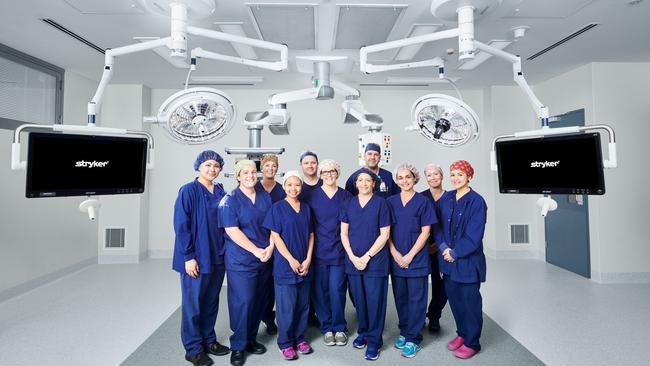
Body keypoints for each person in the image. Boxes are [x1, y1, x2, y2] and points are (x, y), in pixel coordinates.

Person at [173, 150, 230, 366]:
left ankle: (209, 340)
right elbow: (181, 226)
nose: (212, 169)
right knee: (193, 304)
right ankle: (193, 349)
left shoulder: (220, 191)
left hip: (217, 254)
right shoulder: (188, 191)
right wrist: (189, 256)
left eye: (216, 166)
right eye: (208, 165)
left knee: (211, 301)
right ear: (198, 167)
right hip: (196, 257)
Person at [219, 160, 274, 366]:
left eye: (253, 172)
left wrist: (269, 248)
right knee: (243, 301)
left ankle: (251, 339)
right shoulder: (230, 200)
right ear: (238, 176)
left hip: (264, 257)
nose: (251, 175)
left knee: (260, 299)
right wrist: (256, 250)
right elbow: (232, 231)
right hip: (241, 260)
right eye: (246, 172)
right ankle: (238, 345)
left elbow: (272, 225)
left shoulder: (264, 196)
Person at [435, 160, 487, 360]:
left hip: (467, 262)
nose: (456, 178)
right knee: (455, 302)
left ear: (469, 177)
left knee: (470, 303)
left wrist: (455, 253)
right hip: (447, 262)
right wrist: (443, 249)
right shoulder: (447, 198)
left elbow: (474, 236)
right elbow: (437, 227)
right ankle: (462, 334)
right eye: (453, 174)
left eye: (460, 175)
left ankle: (473, 342)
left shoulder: (477, 201)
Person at [340, 168, 392, 361]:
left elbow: (384, 234)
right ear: (356, 184)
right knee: (359, 300)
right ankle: (363, 332)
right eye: (360, 180)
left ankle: (375, 340)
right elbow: (344, 233)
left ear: (374, 184)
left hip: (375, 261)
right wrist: (353, 257)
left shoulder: (381, 204)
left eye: (367, 180)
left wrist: (367, 256)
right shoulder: (348, 203)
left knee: (375, 301)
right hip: (353, 260)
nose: (363, 183)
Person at [386, 163, 437, 358]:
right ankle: (405, 330)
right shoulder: (390, 202)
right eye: (400, 178)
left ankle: (414, 337)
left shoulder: (423, 201)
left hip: (417, 259)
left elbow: (426, 232)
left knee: (417, 298)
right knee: (401, 297)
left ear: (415, 178)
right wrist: (396, 254)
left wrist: (409, 255)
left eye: (408, 177)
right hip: (397, 257)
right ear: (396, 180)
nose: (404, 181)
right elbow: (386, 231)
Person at [263, 171, 315, 361]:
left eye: (297, 185)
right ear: (284, 186)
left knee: (303, 305)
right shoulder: (277, 208)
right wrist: (291, 260)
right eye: (290, 185)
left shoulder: (307, 208)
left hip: (305, 264)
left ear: (301, 187)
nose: (294, 188)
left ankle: (300, 339)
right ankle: (285, 343)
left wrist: (308, 259)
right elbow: (275, 237)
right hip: (286, 265)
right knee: (286, 307)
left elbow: (311, 235)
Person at [305, 159, 351, 347]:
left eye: (332, 171)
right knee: (320, 292)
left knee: (337, 290)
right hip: (318, 252)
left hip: (340, 251)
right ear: (320, 175)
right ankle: (326, 327)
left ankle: (339, 326)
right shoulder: (311, 197)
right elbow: (306, 226)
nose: (329, 174)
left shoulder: (346, 196)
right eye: (325, 172)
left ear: (337, 173)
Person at [255, 154, 285, 335]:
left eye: (273, 166)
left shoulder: (282, 190)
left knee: (274, 285)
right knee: (260, 284)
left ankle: (270, 317)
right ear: (261, 168)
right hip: (258, 241)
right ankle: (258, 318)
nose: (270, 169)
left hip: (279, 241)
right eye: (267, 166)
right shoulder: (253, 187)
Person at [420, 164, 449, 333]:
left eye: (436, 174)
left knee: (441, 285)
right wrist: (426, 245)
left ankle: (434, 315)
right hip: (423, 248)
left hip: (443, 248)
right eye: (429, 175)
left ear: (442, 176)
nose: (433, 177)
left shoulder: (451, 197)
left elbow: (452, 226)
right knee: (421, 285)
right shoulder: (421, 197)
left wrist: (437, 245)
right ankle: (417, 314)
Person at [297, 150, 322, 326]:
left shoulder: (326, 183)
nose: (310, 165)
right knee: (306, 279)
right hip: (303, 241)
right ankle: (307, 314)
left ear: (317, 165)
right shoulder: (297, 187)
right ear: (301, 166)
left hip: (325, 241)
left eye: (313, 162)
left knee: (320, 282)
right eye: (306, 163)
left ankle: (319, 313)